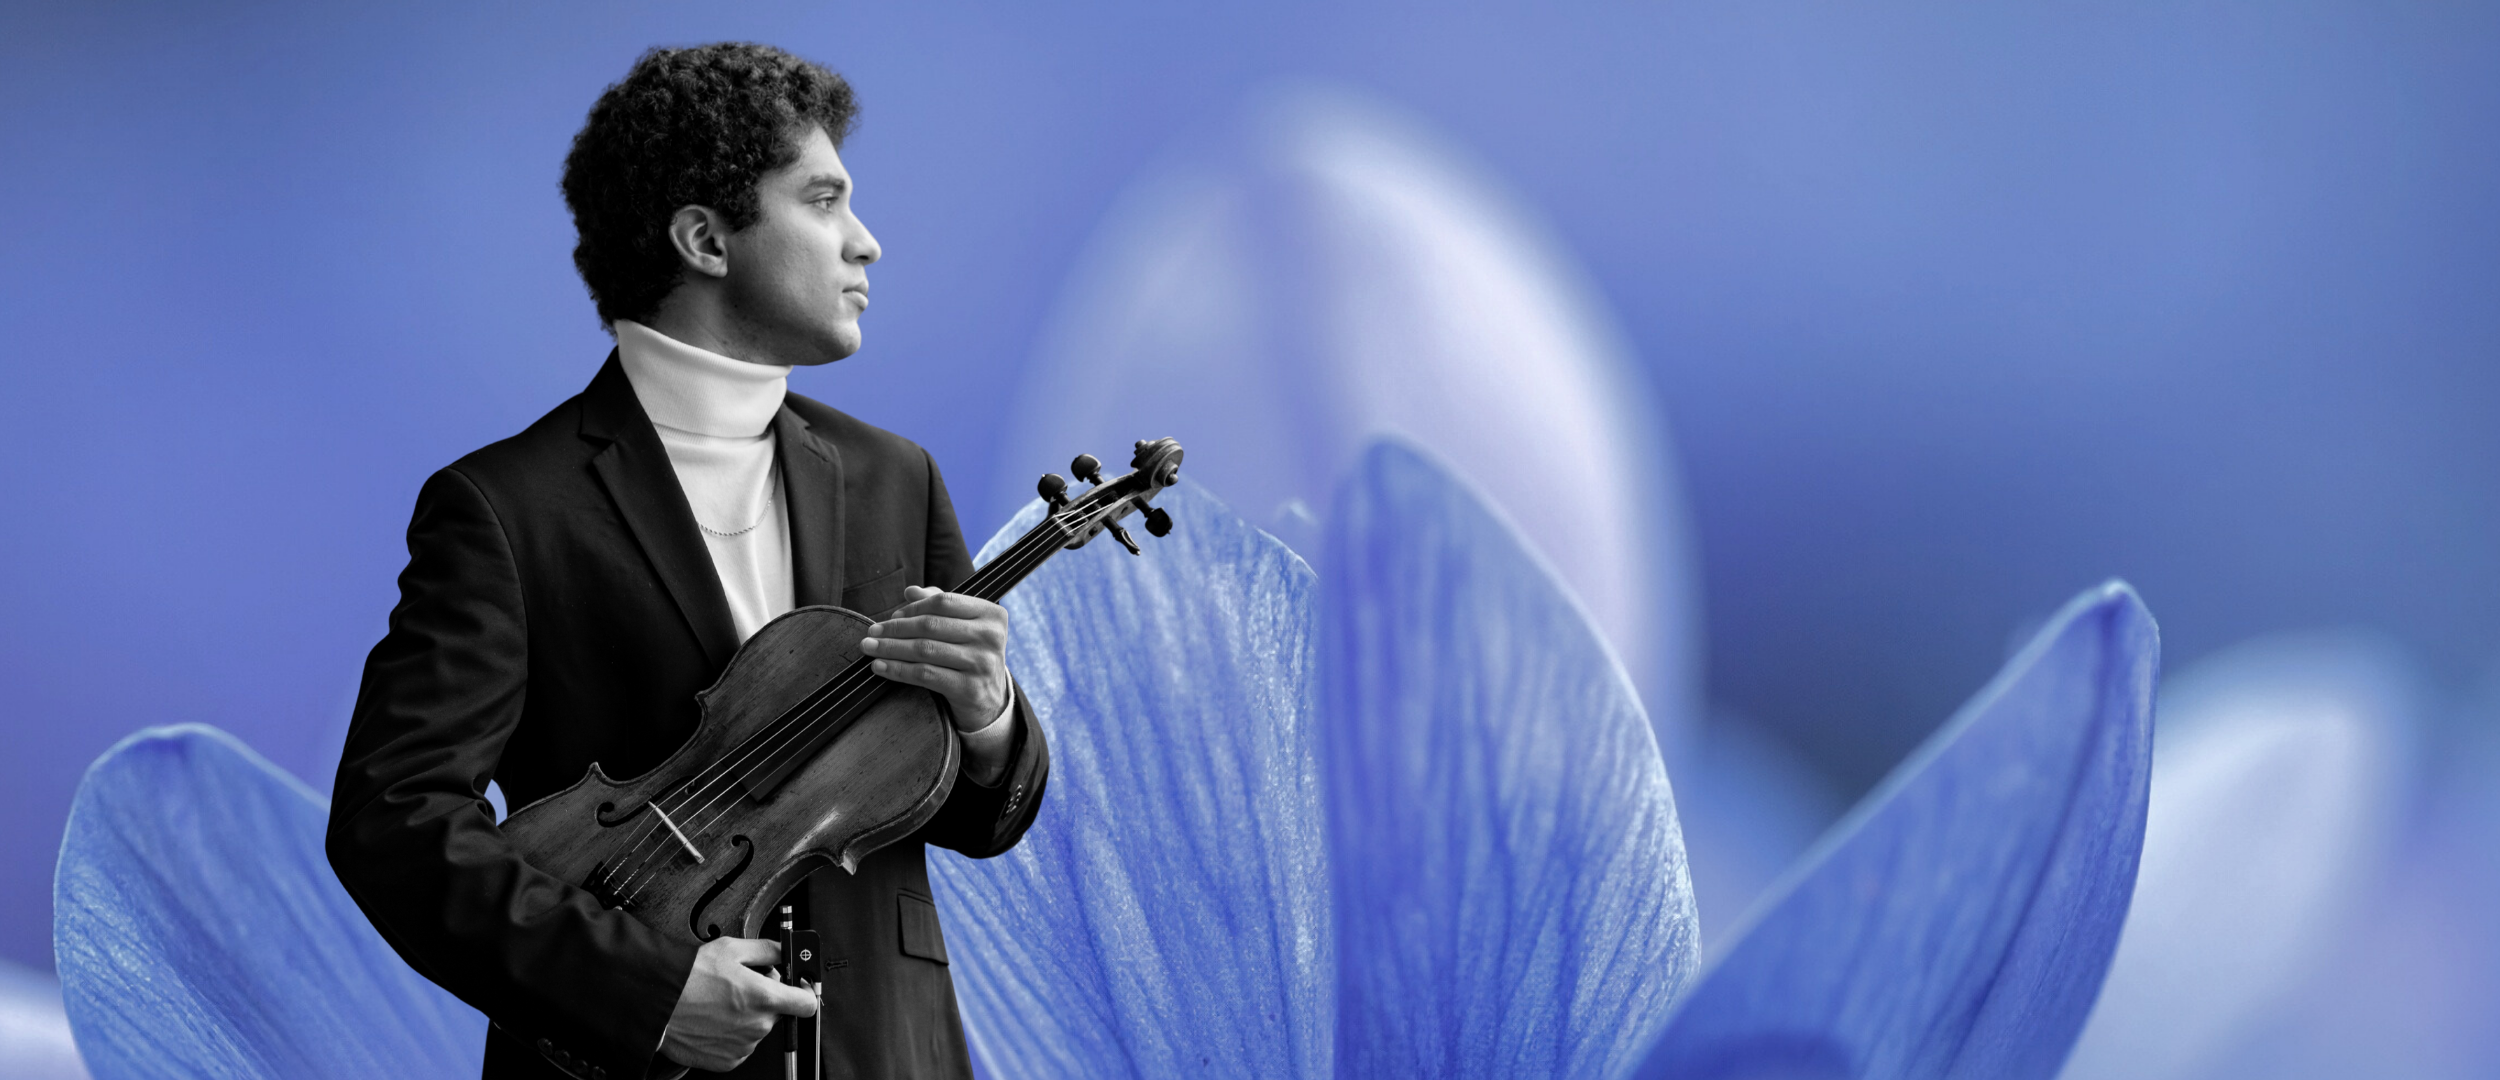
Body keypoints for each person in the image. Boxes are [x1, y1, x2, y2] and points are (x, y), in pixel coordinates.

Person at [326, 42, 1048, 1080]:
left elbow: (974, 818)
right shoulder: (503, 506)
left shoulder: (895, 474)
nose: (867, 243)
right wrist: (647, 991)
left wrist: (988, 718)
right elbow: (392, 821)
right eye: (823, 200)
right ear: (706, 240)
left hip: (890, 1050)